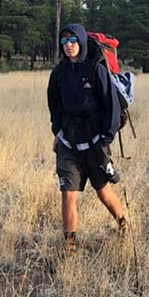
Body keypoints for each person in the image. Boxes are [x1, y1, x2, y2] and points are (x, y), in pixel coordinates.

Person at [47, 23, 127, 252]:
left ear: (81, 42)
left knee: (103, 192)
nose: (68, 46)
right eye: (64, 42)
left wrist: (105, 139)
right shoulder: (59, 73)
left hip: (94, 143)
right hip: (68, 143)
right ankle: (69, 247)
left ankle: (123, 223)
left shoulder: (96, 70)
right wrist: (58, 132)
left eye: (73, 41)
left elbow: (111, 107)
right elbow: (54, 105)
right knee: (67, 195)